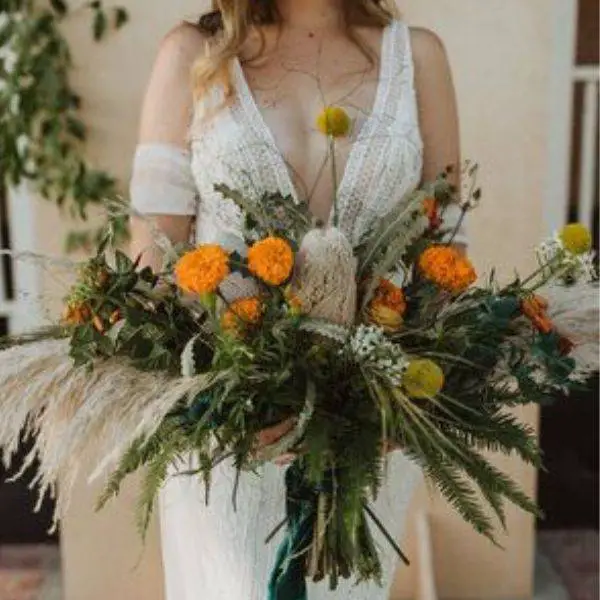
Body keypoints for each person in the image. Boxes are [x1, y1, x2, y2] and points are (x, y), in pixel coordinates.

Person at [129, 1, 466, 598]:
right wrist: (223, 400)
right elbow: (152, 267)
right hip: (228, 436)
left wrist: (402, 399)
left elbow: (444, 259)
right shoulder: (191, 55)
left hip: (369, 437)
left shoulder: (417, 57)